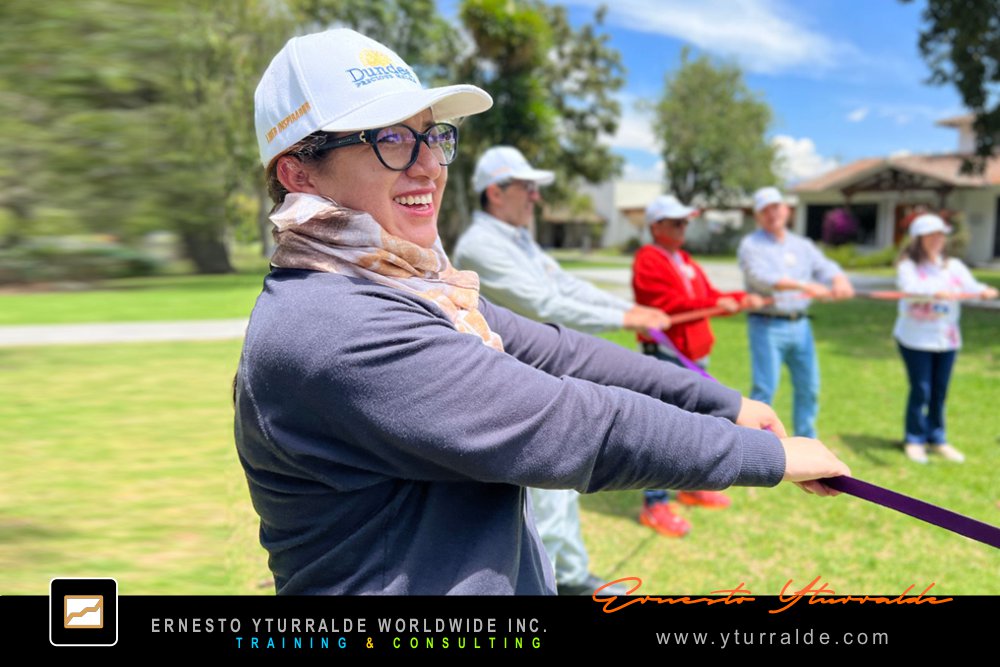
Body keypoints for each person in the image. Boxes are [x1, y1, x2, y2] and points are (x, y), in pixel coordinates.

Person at [234, 29, 850, 596]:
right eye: (389, 138)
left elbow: (560, 350)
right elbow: (572, 425)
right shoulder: (333, 324)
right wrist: (771, 459)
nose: (426, 163)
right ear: (298, 174)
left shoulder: (410, 283)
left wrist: (723, 404)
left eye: (431, 136)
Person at [452, 147, 672, 595]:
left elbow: (566, 285)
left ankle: (568, 578)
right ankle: (556, 583)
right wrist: (627, 320)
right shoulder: (481, 244)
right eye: (527, 187)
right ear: (496, 192)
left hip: (547, 375)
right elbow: (543, 305)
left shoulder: (518, 239)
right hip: (519, 382)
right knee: (546, 493)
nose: (536, 197)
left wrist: (629, 308)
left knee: (559, 490)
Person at [633, 195, 767, 537]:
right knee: (662, 430)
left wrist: (738, 299)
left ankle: (689, 486)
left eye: (685, 222)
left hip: (694, 354)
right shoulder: (648, 259)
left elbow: (708, 294)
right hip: (666, 355)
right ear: (655, 227)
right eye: (675, 222)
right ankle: (655, 502)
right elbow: (669, 304)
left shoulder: (684, 258)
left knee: (697, 425)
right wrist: (719, 303)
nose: (683, 227)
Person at [738, 187, 854, 439]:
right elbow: (759, 277)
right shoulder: (751, 245)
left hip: (800, 326)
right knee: (765, 388)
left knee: (809, 387)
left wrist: (838, 279)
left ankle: (807, 442)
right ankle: (755, 446)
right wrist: (803, 285)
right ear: (757, 216)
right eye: (765, 210)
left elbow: (824, 266)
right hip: (767, 324)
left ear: (786, 210)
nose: (772, 214)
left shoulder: (802, 245)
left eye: (776, 207)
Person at [893, 213, 998, 463]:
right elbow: (910, 288)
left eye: (941, 234)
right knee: (921, 389)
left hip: (947, 339)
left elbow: (971, 286)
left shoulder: (953, 266)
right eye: (932, 234)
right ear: (919, 238)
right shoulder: (908, 265)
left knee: (940, 391)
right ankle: (914, 439)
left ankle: (937, 438)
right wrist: (933, 291)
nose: (938, 239)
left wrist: (984, 291)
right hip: (915, 339)